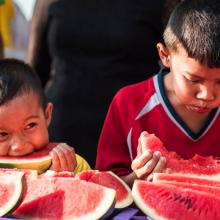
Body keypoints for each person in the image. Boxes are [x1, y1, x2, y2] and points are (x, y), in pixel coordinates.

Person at [26, 0, 178, 168]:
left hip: (130, 135)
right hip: (59, 137)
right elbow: (34, 73)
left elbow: (182, 63)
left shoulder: (161, 3)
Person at [95, 0, 220, 186]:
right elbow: (106, 187)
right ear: (165, 55)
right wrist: (135, 178)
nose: (207, 95)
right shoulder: (128, 104)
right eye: (194, 80)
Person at [0, 58, 90, 173]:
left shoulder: (76, 165)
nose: (19, 146)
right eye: (2, 134)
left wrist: (64, 180)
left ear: (47, 115)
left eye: (30, 125)